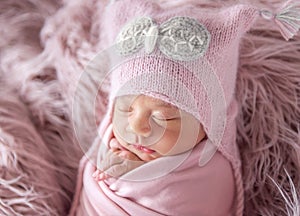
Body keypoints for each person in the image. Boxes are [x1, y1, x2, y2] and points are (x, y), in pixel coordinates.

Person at [69, 0, 300, 215]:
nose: (138, 127)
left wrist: (128, 178)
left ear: (206, 124)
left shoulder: (208, 175)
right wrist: (110, 170)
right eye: (125, 111)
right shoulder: (110, 140)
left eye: (162, 118)